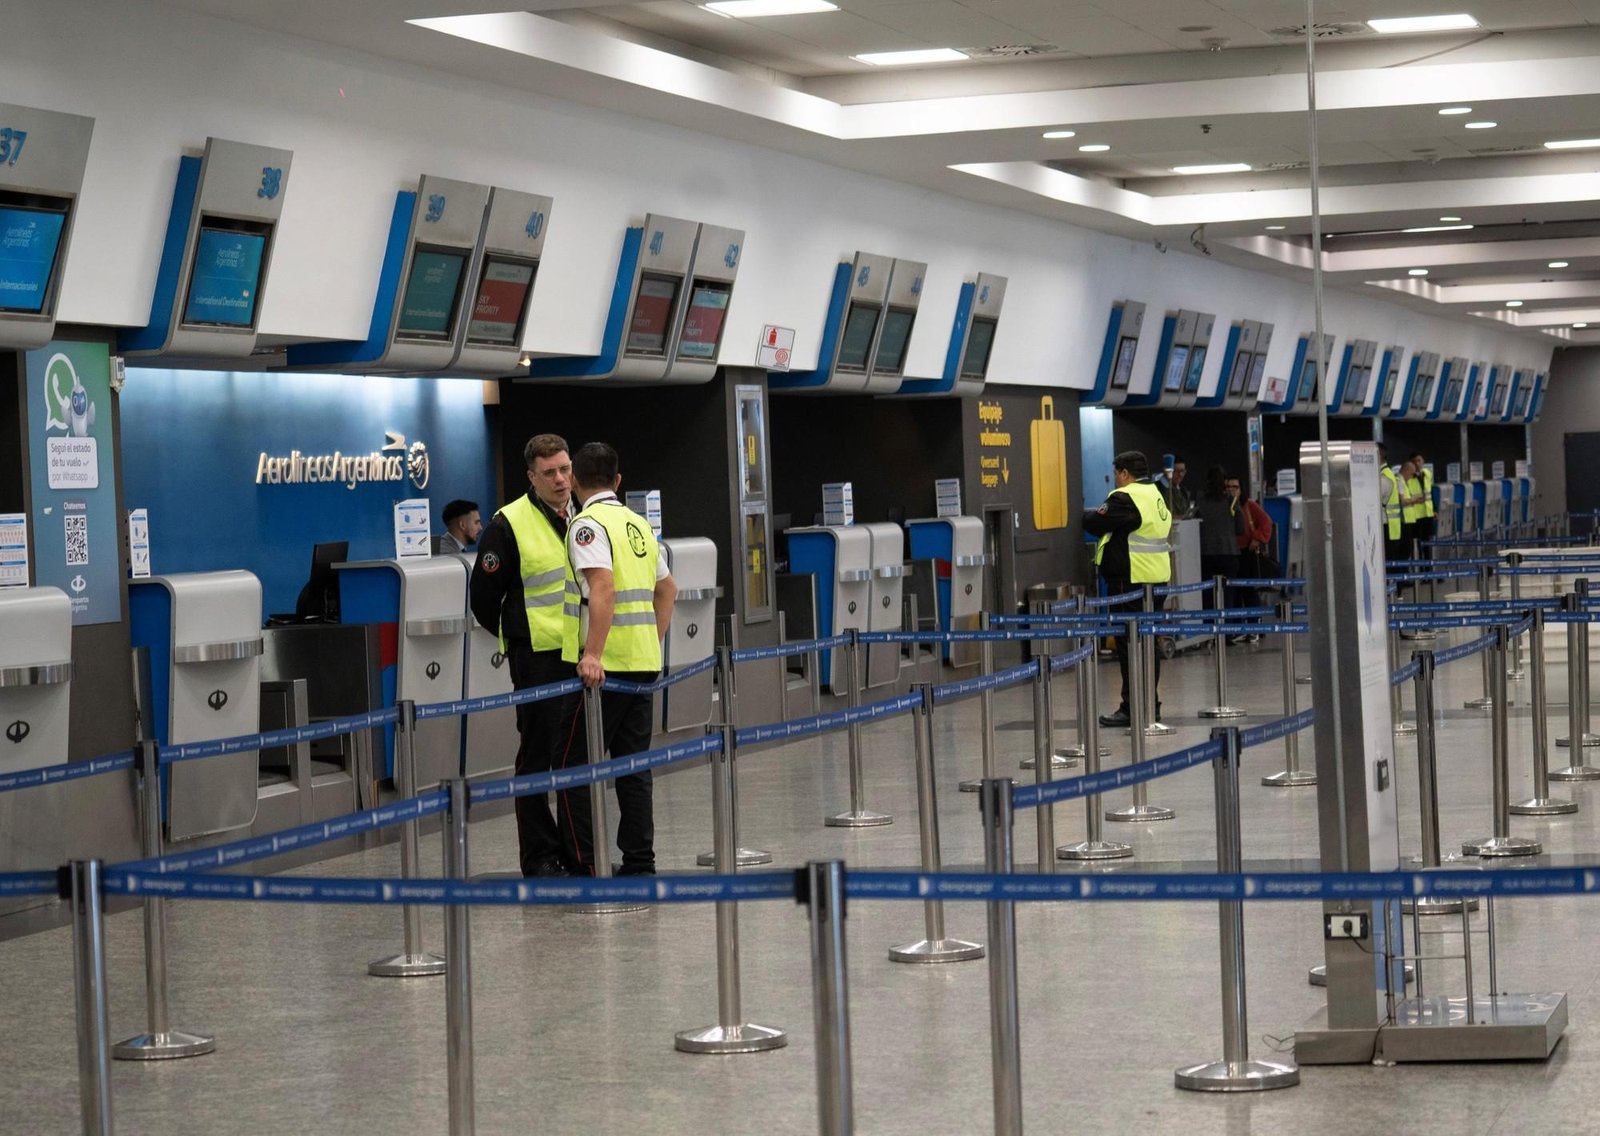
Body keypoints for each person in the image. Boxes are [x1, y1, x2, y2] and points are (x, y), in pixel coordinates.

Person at [561, 442, 677, 876]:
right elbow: (668, 589)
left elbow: (603, 587)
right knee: (633, 766)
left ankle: (587, 865)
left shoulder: (587, 525)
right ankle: (639, 860)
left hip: (606, 669)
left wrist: (592, 653)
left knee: (574, 765)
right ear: (618, 480)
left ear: (574, 480)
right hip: (643, 663)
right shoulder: (638, 524)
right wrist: (651, 639)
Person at [469, 435, 581, 877]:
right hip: (537, 658)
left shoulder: (583, 515)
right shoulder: (507, 524)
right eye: (550, 472)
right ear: (532, 476)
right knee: (537, 758)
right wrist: (514, 637)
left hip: (579, 653)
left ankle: (578, 853)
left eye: (565, 469)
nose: (561, 479)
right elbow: (483, 599)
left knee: (575, 757)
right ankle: (540, 857)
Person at [1084, 450, 1172, 728]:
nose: (1116, 480)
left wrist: (1087, 514)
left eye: (1117, 474)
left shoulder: (1125, 497)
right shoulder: (1156, 493)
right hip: (1157, 578)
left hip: (1130, 579)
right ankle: (1150, 706)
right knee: (1148, 642)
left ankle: (1132, 708)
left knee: (1129, 644)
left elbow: (1094, 522)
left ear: (1124, 473)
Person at [1226, 475, 1272, 643]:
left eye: (1235, 487)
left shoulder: (1249, 506)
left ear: (1241, 489)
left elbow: (1266, 522)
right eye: (1228, 487)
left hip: (1247, 552)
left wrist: (1257, 538)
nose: (1231, 490)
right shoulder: (1224, 506)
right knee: (1235, 594)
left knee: (1250, 592)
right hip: (1232, 553)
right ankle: (1239, 628)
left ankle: (1255, 627)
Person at [1195, 464, 1244, 591]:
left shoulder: (1200, 501)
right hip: (1228, 552)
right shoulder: (1232, 501)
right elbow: (1240, 529)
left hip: (1206, 552)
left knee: (1207, 595)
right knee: (1227, 594)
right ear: (1225, 482)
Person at [1379, 443, 1407, 569]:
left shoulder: (1384, 476)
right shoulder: (1387, 473)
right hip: (1392, 525)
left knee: (1389, 563)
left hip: (1387, 524)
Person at [1407, 451, 1436, 557]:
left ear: (1423, 461)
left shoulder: (1427, 474)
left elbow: (1431, 493)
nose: (1417, 464)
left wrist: (1434, 509)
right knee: (1418, 543)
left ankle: (1428, 564)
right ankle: (1419, 564)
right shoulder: (1409, 477)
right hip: (1417, 515)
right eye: (1414, 462)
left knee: (1428, 542)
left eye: (1419, 461)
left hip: (1428, 513)